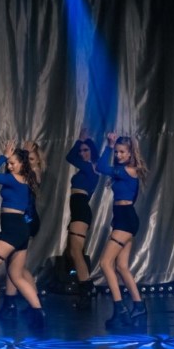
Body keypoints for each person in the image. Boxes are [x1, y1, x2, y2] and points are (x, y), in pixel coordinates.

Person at [0, 141, 44, 337]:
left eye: (13, 163)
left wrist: (3, 157)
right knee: (16, 275)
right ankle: (39, 314)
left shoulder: (13, 179)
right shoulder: (27, 179)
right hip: (20, 229)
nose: (9, 166)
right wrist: (14, 158)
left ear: (22, 164)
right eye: (9, 163)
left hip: (13, 229)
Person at [96, 133, 148, 328]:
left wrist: (109, 146)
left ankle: (120, 309)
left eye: (122, 152)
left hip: (126, 219)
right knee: (122, 266)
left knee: (105, 263)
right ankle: (139, 305)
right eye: (116, 152)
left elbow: (100, 167)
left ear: (130, 153)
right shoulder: (121, 171)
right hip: (122, 217)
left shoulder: (128, 170)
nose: (118, 155)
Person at [0, 141, 43, 320]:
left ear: (37, 162)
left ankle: (30, 303)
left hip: (26, 220)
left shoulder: (33, 174)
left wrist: (24, 156)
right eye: (26, 158)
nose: (28, 162)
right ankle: (16, 303)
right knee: (15, 265)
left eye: (31, 159)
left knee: (16, 267)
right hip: (20, 220)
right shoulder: (20, 175)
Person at [64, 128, 100, 309]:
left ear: (92, 151)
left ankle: (86, 289)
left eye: (86, 150)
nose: (82, 153)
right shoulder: (86, 168)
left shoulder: (90, 167)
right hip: (78, 210)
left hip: (81, 210)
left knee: (76, 252)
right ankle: (86, 287)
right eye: (81, 151)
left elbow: (69, 157)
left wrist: (80, 140)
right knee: (73, 252)